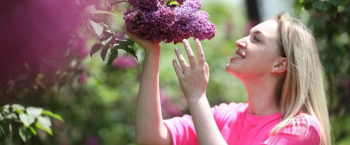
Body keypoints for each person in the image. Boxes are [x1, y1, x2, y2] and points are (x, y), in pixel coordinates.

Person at [130, 12, 331, 145]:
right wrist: (152, 51)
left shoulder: (302, 129)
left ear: (280, 64)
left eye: (256, 39)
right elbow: (151, 136)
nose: (239, 41)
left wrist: (197, 98)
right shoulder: (225, 115)